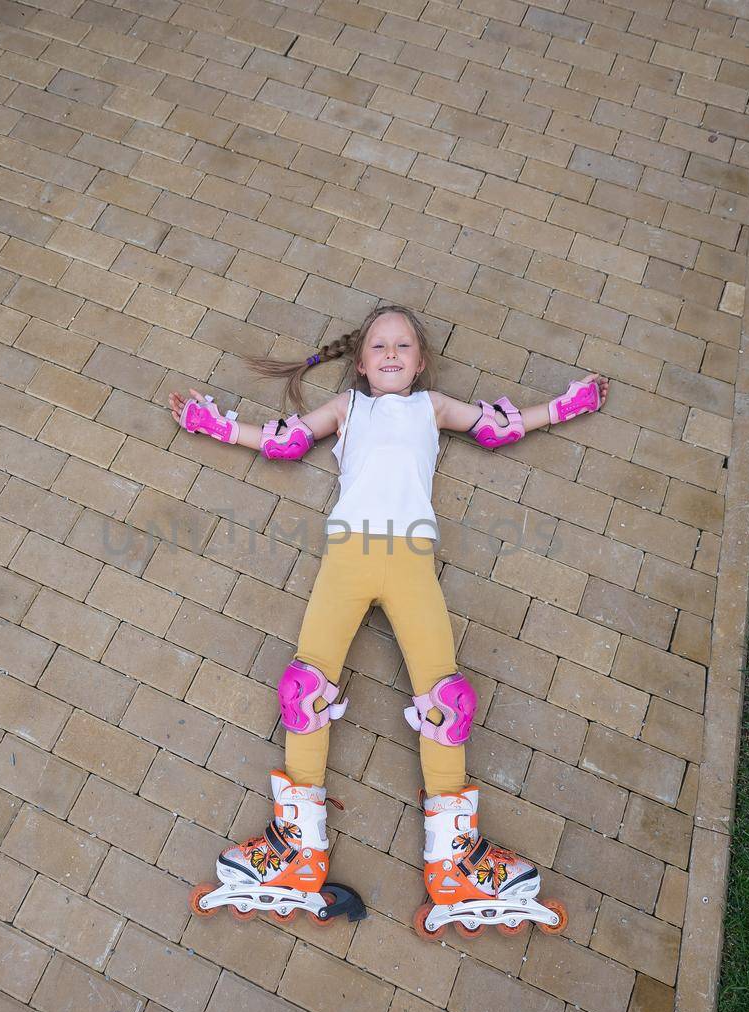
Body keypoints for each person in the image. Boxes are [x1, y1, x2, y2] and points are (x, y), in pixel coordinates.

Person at [168, 304, 607, 936]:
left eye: (404, 345)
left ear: (421, 362)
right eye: (380, 346)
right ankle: (297, 849)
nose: (392, 353)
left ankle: (452, 861)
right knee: (304, 692)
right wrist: (215, 426)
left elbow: (496, 427)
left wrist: (562, 408)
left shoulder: (433, 407)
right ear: (362, 362)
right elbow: (284, 441)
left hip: (410, 562)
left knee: (447, 701)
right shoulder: (348, 409)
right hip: (347, 559)